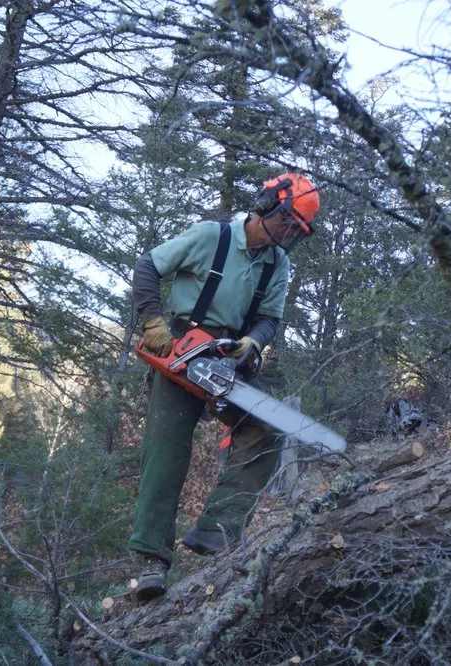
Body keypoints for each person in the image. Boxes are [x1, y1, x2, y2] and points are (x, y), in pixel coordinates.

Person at [129, 172, 320, 601]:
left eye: (297, 230)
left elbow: (270, 318)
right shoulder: (210, 236)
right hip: (181, 344)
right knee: (165, 453)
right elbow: (149, 265)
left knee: (266, 429)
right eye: (287, 222)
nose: (288, 234)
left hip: (227, 355)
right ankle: (151, 562)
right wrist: (153, 320)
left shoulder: (277, 263)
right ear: (267, 204)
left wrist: (254, 341)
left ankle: (217, 529)